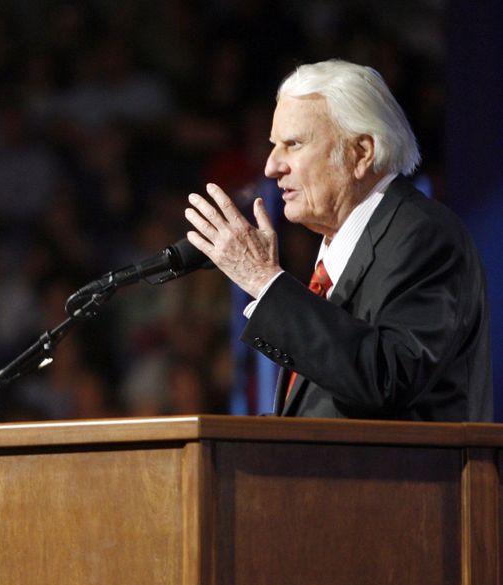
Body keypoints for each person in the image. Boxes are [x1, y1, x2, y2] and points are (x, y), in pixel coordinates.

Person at [184, 59, 492, 420]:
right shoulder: (339, 250)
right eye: (274, 145)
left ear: (361, 153)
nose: (271, 166)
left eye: (293, 144)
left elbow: (388, 379)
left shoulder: (424, 236)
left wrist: (264, 281)